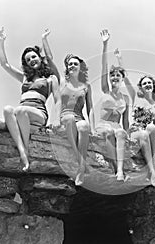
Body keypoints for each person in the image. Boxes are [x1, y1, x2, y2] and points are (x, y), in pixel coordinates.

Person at [0, 27, 60, 171]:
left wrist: (56, 121)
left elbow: (58, 100)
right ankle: (22, 151)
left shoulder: (50, 79)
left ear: (39, 58)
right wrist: (1, 42)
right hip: (22, 113)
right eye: (28, 60)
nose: (31, 60)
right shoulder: (25, 78)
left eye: (33, 57)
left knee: (20, 110)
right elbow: (4, 65)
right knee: (7, 109)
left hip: (38, 113)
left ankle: (26, 150)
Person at [42, 29, 94, 185]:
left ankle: (80, 169)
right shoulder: (61, 82)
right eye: (70, 64)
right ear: (67, 67)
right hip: (65, 117)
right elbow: (50, 60)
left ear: (80, 67)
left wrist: (93, 126)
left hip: (79, 118)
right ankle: (81, 163)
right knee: (70, 118)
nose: (72, 65)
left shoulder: (86, 86)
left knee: (84, 126)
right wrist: (44, 39)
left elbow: (90, 108)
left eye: (75, 64)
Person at [118, 51, 155, 189]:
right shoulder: (135, 97)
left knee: (151, 128)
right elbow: (125, 78)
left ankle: (152, 165)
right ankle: (152, 172)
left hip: (150, 133)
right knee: (144, 132)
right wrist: (120, 59)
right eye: (145, 83)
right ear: (141, 87)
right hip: (136, 132)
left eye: (150, 83)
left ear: (153, 86)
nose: (147, 85)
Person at [95, 30, 130, 181]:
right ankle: (116, 169)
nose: (114, 77)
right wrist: (105, 44)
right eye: (112, 75)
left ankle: (120, 170)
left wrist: (128, 133)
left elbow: (126, 121)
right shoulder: (105, 90)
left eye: (118, 75)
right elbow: (104, 66)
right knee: (109, 133)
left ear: (122, 79)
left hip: (117, 126)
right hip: (103, 125)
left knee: (121, 133)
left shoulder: (126, 98)